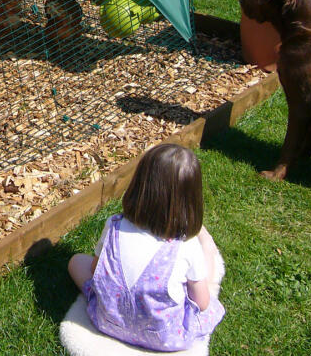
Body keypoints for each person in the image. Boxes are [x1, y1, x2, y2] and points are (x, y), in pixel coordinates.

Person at [67, 144, 224, 352]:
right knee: (205, 267)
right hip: (165, 338)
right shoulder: (186, 246)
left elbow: (96, 270)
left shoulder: (114, 225)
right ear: (190, 201)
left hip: (108, 321)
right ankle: (208, 242)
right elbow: (202, 303)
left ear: (140, 185)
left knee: (76, 261)